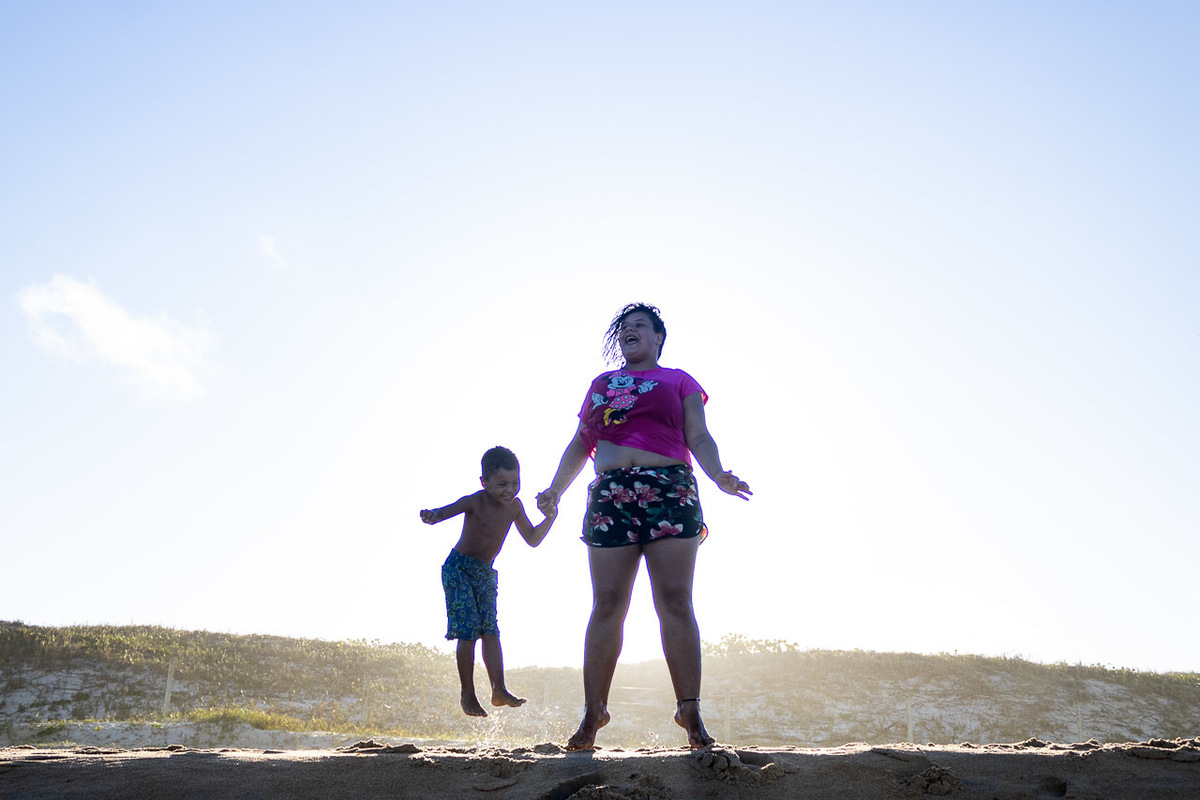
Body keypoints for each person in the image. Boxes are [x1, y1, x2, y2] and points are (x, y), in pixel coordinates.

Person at [537, 303, 751, 750]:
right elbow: (582, 442)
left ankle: (689, 709)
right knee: (607, 602)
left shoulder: (679, 380)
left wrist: (719, 475)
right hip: (611, 492)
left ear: (658, 338)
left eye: (639, 326)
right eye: (624, 328)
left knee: (674, 599)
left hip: (669, 488)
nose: (629, 332)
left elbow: (698, 436)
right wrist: (555, 489)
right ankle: (594, 711)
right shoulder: (601, 385)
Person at [421, 445, 557, 717]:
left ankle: (499, 689)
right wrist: (432, 515)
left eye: (515, 483)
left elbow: (532, 538)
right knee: (469, 629)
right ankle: (468, 693)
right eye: (502, 484)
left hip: (485, 572)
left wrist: (550, 518)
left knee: (490, 630)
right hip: (459, 569)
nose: (510, 490)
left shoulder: (515, 507)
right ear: (484, 482)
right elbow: (443, 512)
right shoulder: (475, 501)